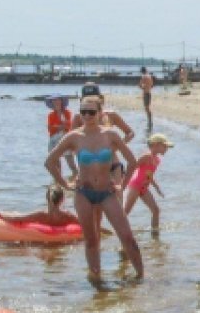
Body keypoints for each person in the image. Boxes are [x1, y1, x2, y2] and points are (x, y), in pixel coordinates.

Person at [45, 95, 142, 285]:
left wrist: (121, 184)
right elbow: (50, 162)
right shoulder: (74, 137)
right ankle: (97, 282)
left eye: (91, 112)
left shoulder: (110, 135)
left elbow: (132, 161)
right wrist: (66, 184)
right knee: (91, 241)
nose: (87, 115)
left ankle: (141, 279)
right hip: (84, 194)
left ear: (100, 113)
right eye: (83, 112)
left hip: (107, 192)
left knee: (127, 237)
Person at [122, 133, 172, 233]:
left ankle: (155, 234)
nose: (167, 149)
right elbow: (133, 166)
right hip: (135, 185)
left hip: (144, 188)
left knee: (156, 210)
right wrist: (123, 182)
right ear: (155, 145)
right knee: (125, 212)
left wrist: (156, 187)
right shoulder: (146, 156)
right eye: (165, 146)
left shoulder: (157, 159)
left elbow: (149, 174)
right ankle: (120, 232)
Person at [0, 185, 78, 227]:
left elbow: (17, 218)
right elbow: (85, 224)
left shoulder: (41, 215)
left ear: (46, 198)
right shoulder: (67, 216)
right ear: (62, 200)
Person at [45, 95, 77, 175]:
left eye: (58, 100)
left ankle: (76, 176)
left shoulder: (67, 113)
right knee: (56, 163)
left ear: (62, 102)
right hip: (54, 139)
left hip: (65, 138)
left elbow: (68, 126)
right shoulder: (51, 115)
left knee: (70, 161)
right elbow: (50, 128)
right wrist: (60, 126)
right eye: (54, 101)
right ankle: (58, 182)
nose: (56, 102)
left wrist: (57, 126)